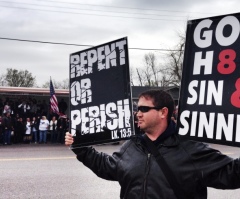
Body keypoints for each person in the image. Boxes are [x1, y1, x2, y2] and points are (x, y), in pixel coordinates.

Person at [65, 89, 240, 199]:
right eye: (137, 108)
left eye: (144, 109)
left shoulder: (190, 148)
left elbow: (232, 174)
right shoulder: (131, 146)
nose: (138, 114)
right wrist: (81, 148)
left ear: (163, 112)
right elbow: (108, 167)